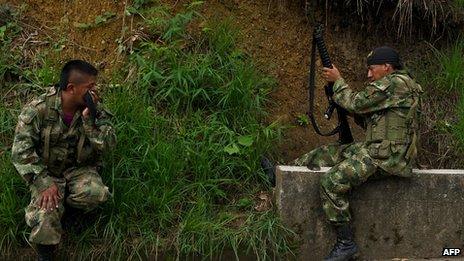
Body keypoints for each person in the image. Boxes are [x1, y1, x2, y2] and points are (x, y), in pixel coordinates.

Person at [293, 46, 423, 260]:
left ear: (386, 67)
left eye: (372, 69)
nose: (369, 75)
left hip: (387, 157)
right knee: (327, 153)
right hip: (384, 150)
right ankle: (276, 176)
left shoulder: (395, 83)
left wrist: (338, 81)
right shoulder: (404, 84)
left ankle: (346, 244)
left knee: (331, 182)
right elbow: (369, 118)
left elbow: (357, 103)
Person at [11, 60, 116, 261]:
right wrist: (43, 182)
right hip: (47, 172)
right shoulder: (38, 110)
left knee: (96, 194)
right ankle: (46, 253)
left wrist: (89, 121)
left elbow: (109, 145)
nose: (95, 91)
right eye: (90, 87)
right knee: (46, 211)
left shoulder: (94, 109)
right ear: (71, 88)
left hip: (79, 170)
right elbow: (20, 152)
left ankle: (70, 212)